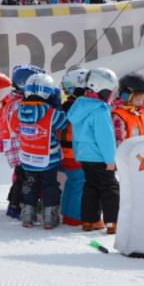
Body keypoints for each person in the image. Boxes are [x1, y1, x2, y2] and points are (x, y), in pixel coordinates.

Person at [67, 67, 120, 234]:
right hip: (99, 157)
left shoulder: (79, 105)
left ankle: (90, 221)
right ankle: (113, 223)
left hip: (84, 156)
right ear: (102, 90)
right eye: (109, 92)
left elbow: (76, 134)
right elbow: (105, 139)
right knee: (110, 188)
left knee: (91, 187)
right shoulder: (100, 111)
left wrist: (78, 154)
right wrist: (110, 160)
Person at [16, 73, 69, 229]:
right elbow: (64, 123)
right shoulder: (51, 113)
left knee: (30, 185)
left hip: (27, 158)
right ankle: (49, 218)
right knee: (50, 186)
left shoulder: (20, 110)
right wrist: (57, 105)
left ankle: (27, 216)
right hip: (47, 160)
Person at [0, 64, 44, 219]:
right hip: (17, 143)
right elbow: (17, 125)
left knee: (21, 175)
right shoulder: (18, 103)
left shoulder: (13, 99)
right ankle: (17, 205)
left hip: (12, 142)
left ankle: (15, 203)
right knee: (24, 175)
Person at [58, 67, 89, 226]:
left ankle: (67, 214)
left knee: (72, 183)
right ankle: (74, 216)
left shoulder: (65, 105)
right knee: (78, 183)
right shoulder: (80, 106)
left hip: (65, 153)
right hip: (76, 154)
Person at [112, 72, 144, 144]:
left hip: (143, 153)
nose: (141, 103)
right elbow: (119, 141)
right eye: (138, 99)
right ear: (126, 96)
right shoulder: (119, 116)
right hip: (128, 153)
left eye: (143, 99)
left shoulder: (141, 112)